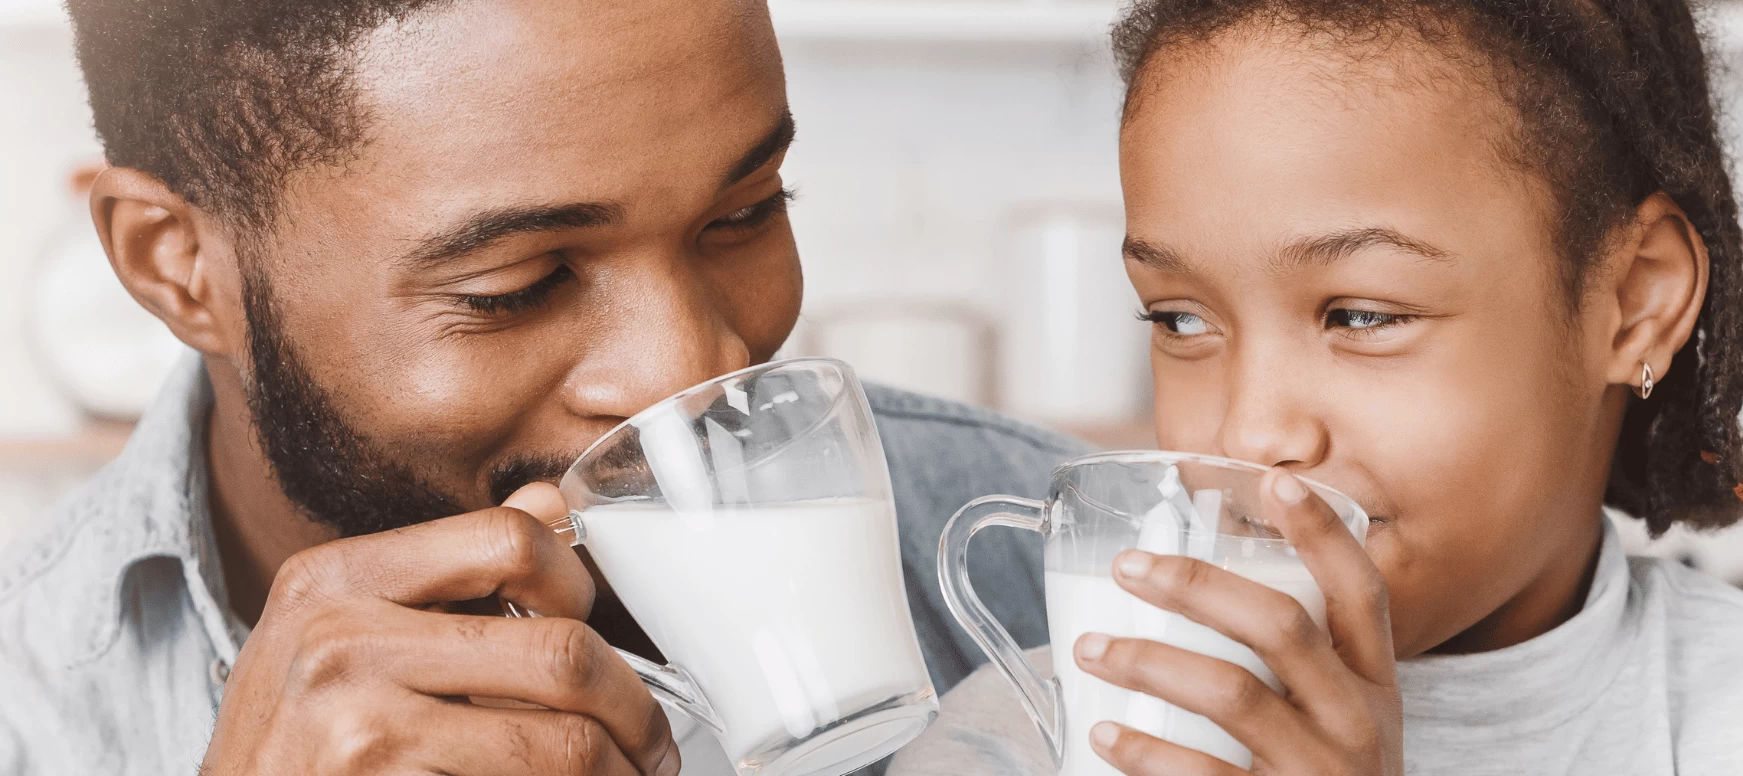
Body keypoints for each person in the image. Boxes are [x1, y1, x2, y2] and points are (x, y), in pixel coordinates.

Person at [0, 1, 1084, 773]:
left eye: (748, 211)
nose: (693, 367)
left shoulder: (1061, 558)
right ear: (176, 264)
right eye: (518, 285)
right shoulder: (29, 702)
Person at [889, 0, 1743, 773]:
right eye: (1181, 320)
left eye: (1361, 315)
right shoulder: (1047, 724)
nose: (1253, 433)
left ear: (1635, 299)